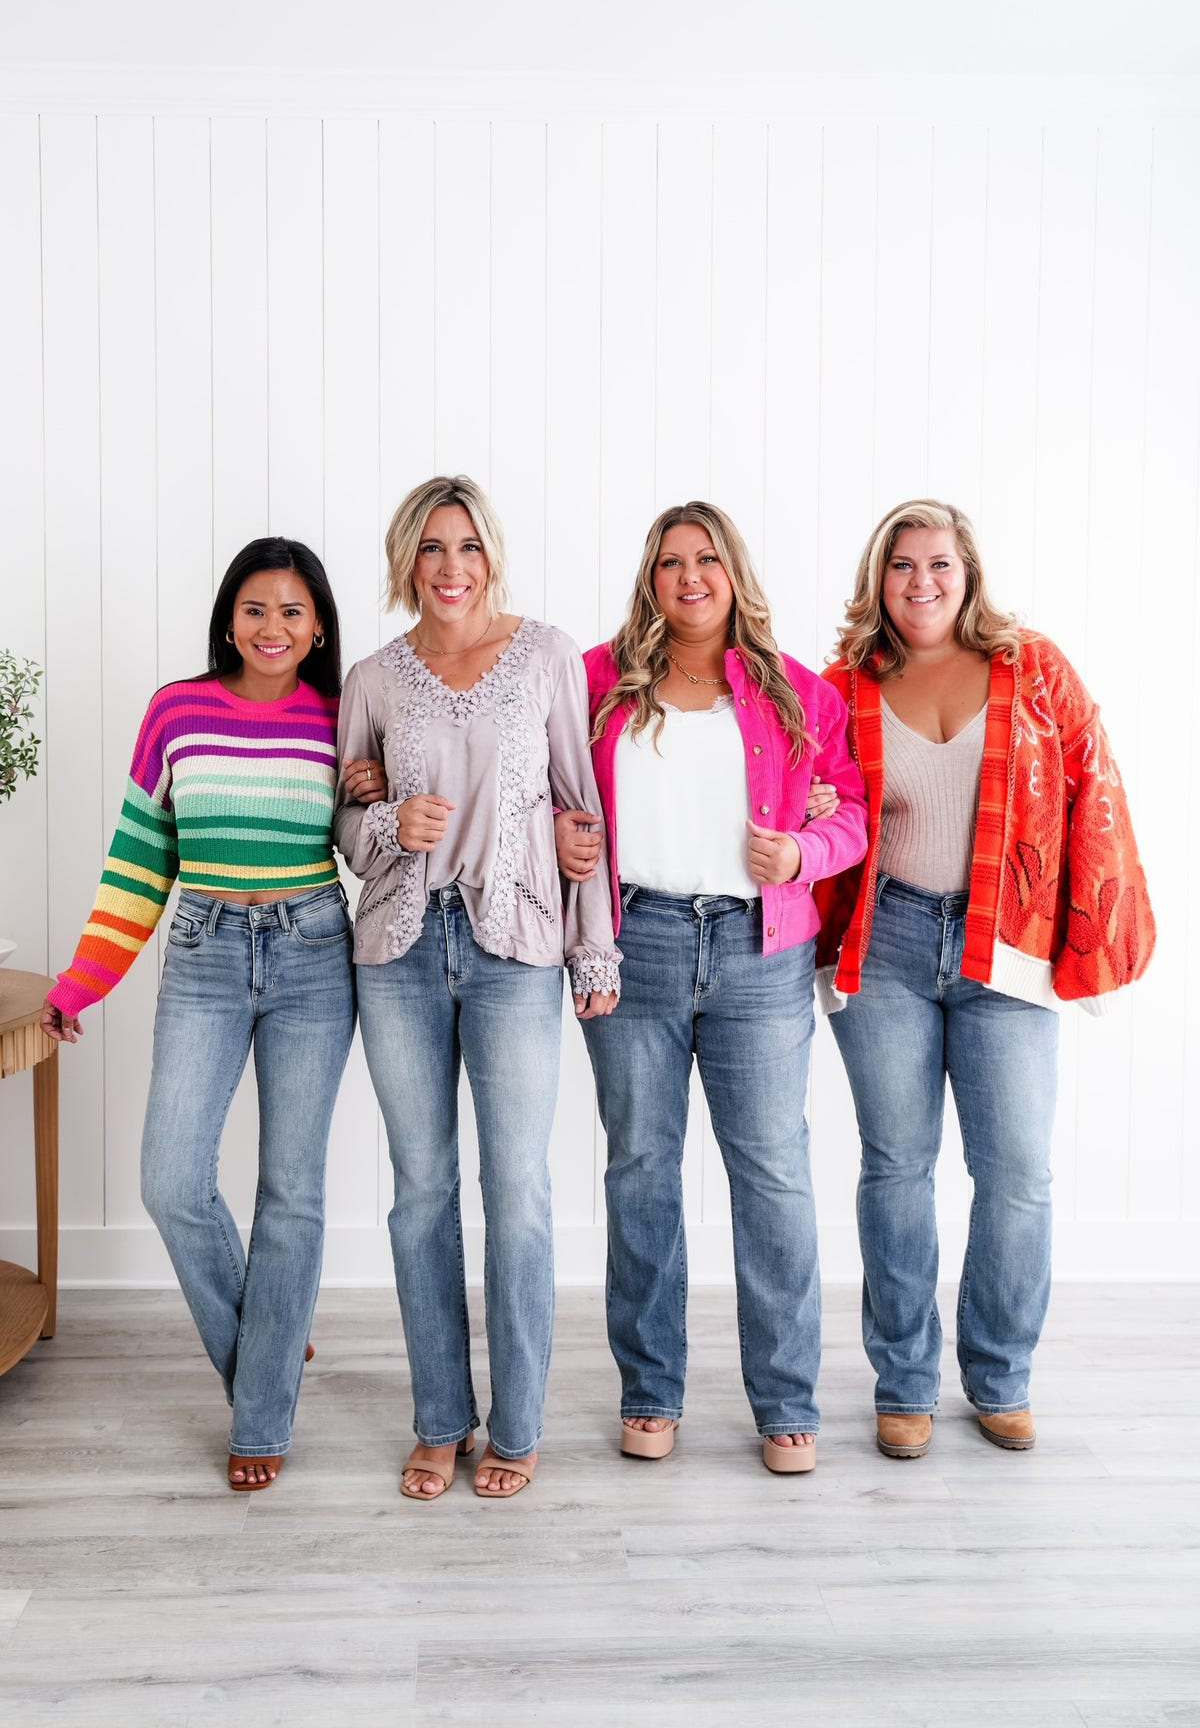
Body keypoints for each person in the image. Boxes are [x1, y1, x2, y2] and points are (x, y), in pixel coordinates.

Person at [816, 499, 1155, 1459]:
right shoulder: (843, 683)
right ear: (879, 579)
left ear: (968, 575)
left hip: (1005, 946)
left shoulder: (1033, 666)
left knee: (1016, 1174)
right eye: (902, 566)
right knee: (896, 1167)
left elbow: (1096, 787)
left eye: (939, 564)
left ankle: (1000, 1376)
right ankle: (904, 1383)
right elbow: (813, 806)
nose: (921, 582)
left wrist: (1092, 933)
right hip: (887, 943)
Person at [554, 501, 867, 1473]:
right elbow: (537, 784)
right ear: (650, 579)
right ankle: (651, 1392)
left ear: (734, 573)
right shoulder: (594, 681)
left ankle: (787, 1403)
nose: (689, 577)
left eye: (707, 560)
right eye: (670, 562)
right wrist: (557, 833)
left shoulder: (799, 694)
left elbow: (853, 815)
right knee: (641, 1171)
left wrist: (804, 851)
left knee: (772, 1174)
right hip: (633, 941)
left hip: (759, 954)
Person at [41, 539, 354, 1492]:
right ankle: (271, 1340)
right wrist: (81, 981)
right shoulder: (176, 710)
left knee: (291, 1190)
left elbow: (370, 839)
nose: (273, 627)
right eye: (255, 609)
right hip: (204, 951)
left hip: (313, 952)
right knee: (171, 1179)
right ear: (228, 619)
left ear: (319, 628)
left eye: (293, 611)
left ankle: (260, 1417)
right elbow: (141, 859)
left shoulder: (345, 716)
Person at [335, 474, 619, 1502]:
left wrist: (593, 952)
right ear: (406, 560)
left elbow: (582, 811)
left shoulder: (545, 656)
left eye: (466, 546)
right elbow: (346, 830)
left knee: (520, 1192)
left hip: (515, 950)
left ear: (491, 554)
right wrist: (386, 823)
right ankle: (439, 1420)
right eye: (430, 548)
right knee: (421, 1193)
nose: (450, 568)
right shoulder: (373, 678)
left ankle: (519, 1424)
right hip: (399, 952)